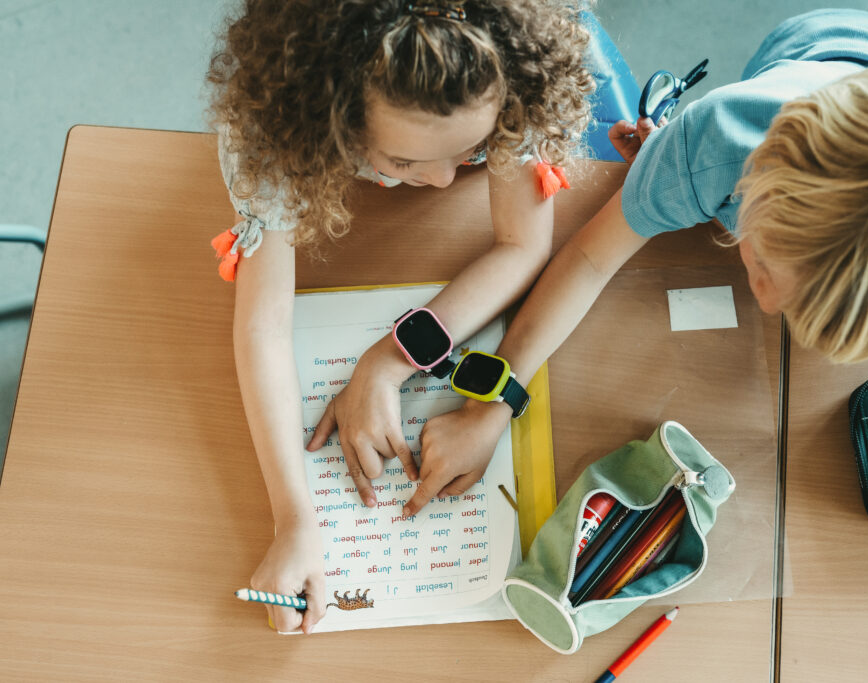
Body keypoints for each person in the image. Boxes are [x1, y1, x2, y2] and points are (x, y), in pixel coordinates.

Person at [406, 9, 868, 514]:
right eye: (765, 267)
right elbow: (586, 259)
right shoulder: (716, 142)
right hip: (828, 43)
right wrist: (489, 409)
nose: (767, 302)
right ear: (754, 180)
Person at [207, 0, 593, 634]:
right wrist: (294, 519)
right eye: (404, 162)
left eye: (467, 150)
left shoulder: (509, 77)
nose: (443, 181)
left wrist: (390, 360)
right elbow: (261, 326)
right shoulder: (270, 139)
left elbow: (524, 244)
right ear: (329, 120)